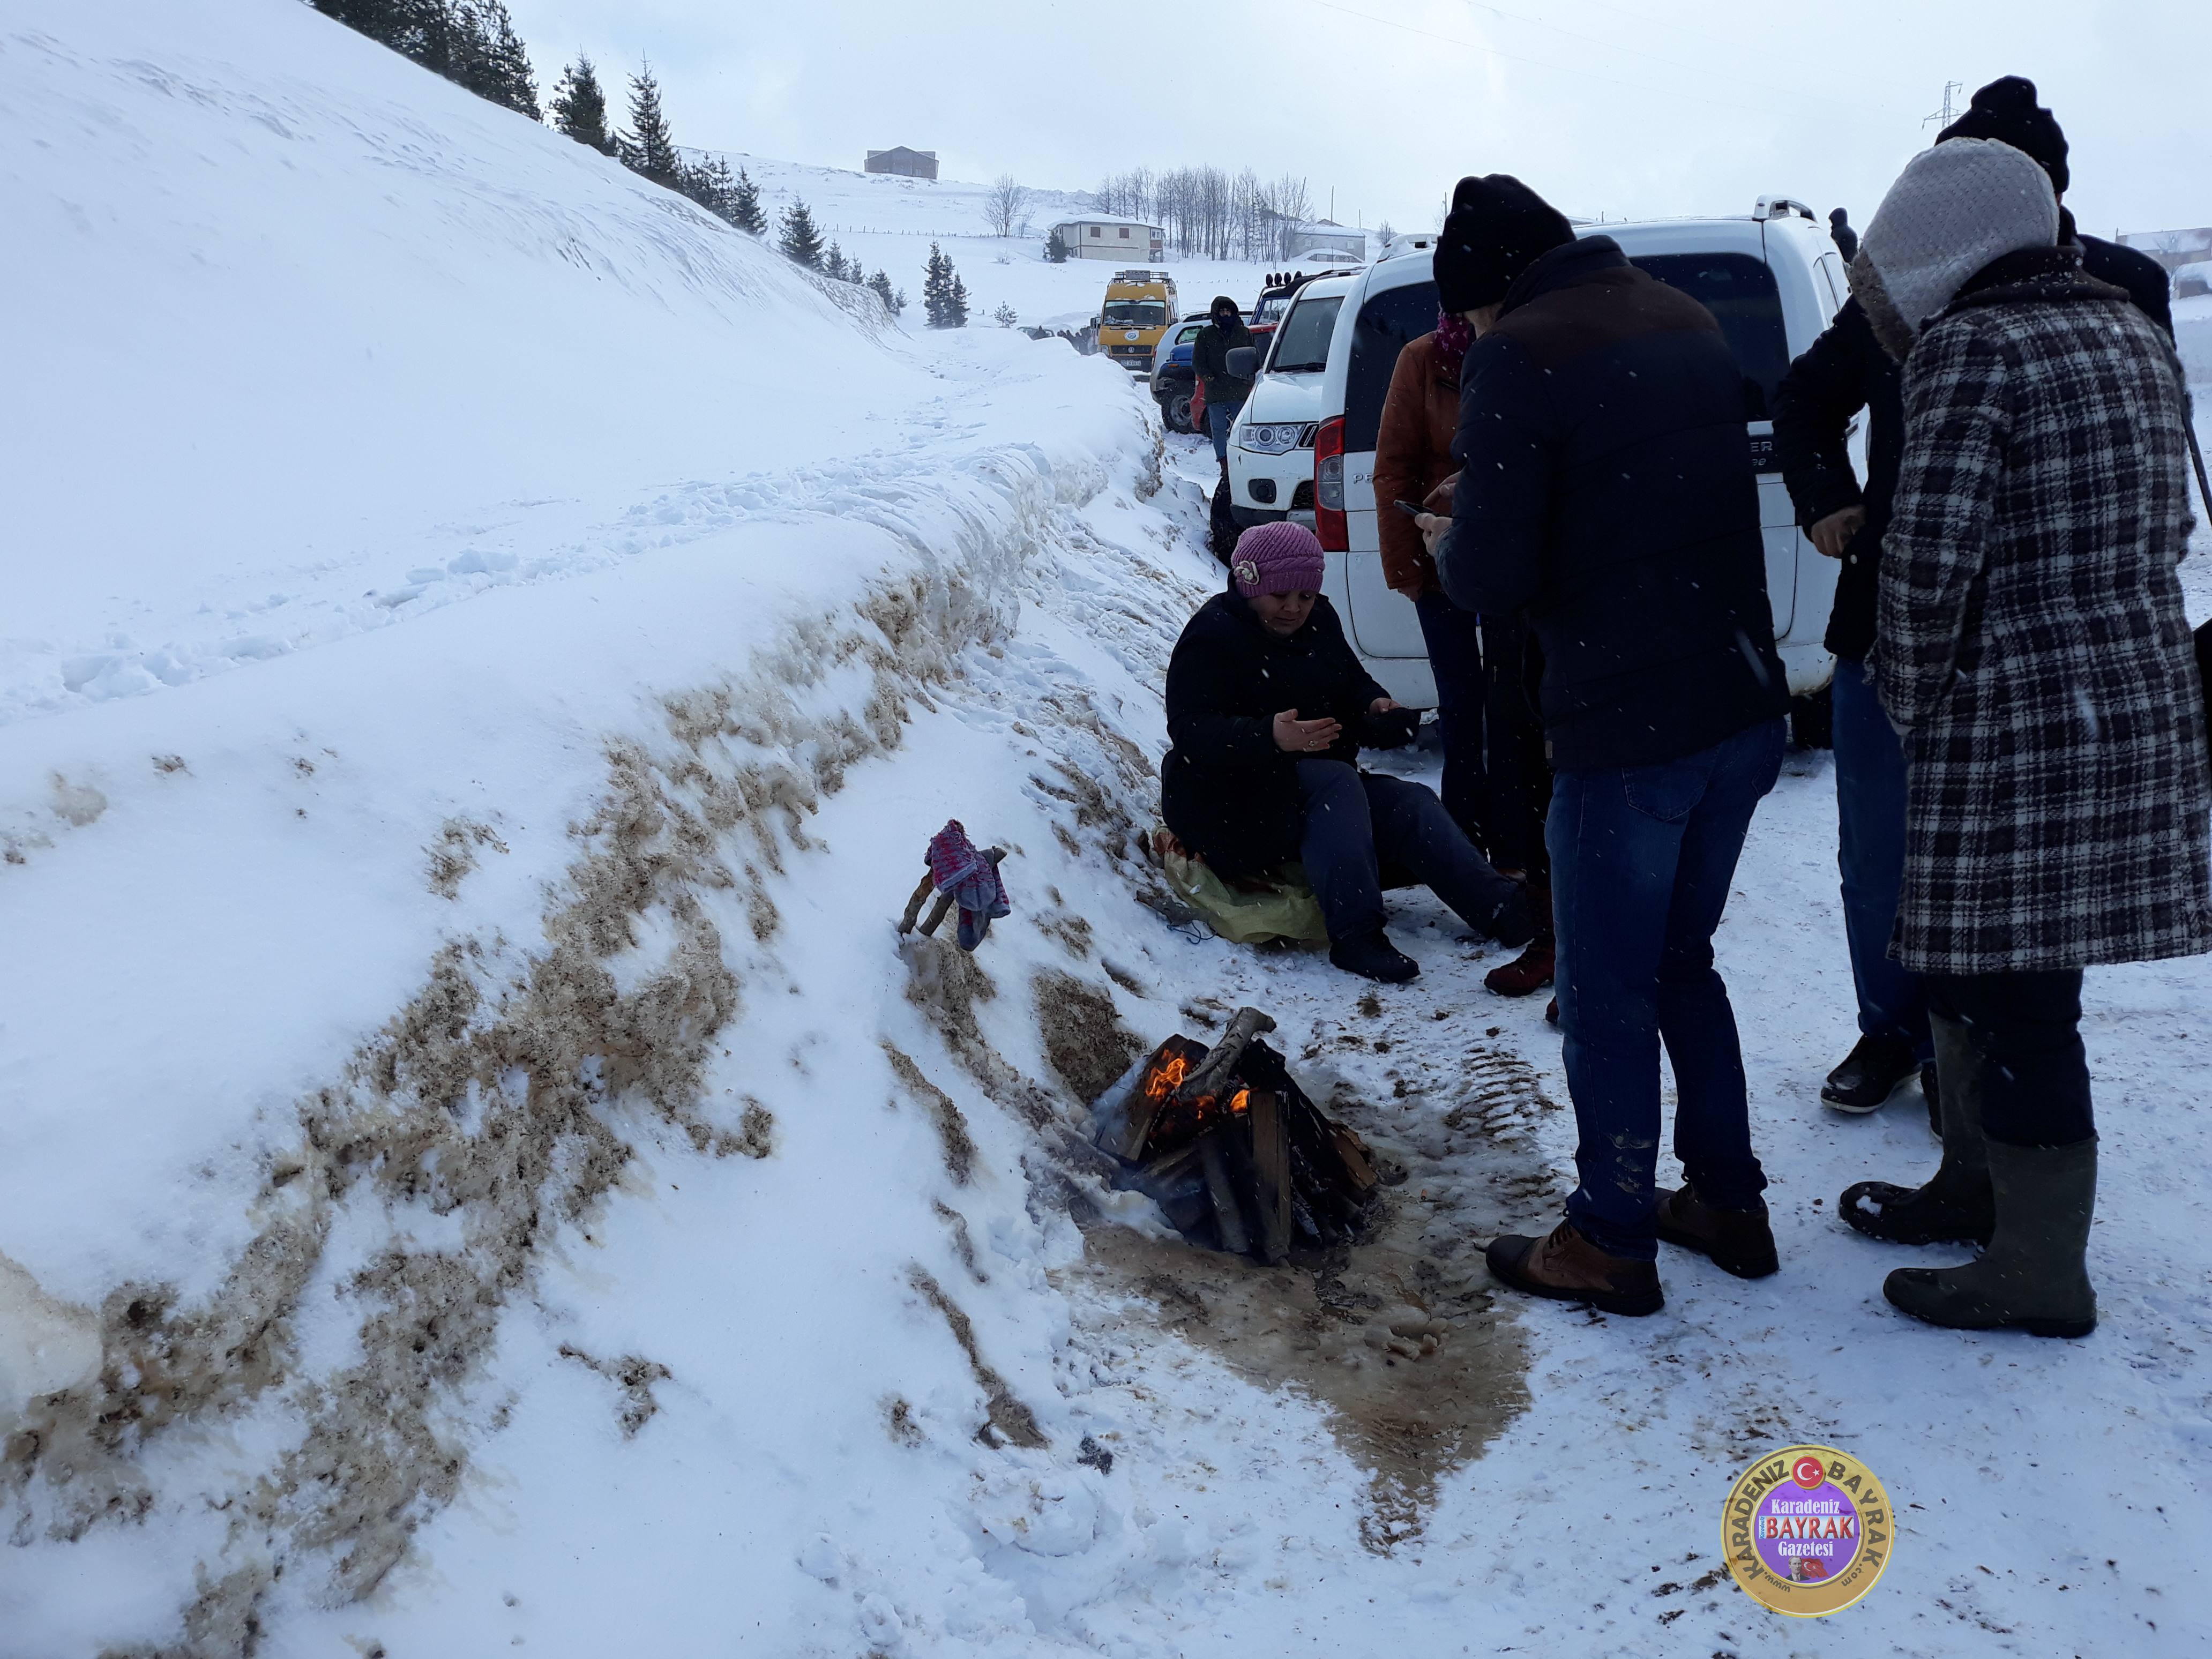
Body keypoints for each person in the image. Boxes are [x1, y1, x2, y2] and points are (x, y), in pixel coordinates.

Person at [1835, 137, 2211, 1337]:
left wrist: (1908, 695)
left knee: (2020, 991)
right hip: (2124, 701)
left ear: (1937, 249)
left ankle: (2040, 1273)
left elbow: (1925, 560)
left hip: (2008, 721)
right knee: (1980, 967)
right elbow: (2160, 527)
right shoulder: (2128, 329)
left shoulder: (1972, 347)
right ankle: (1976, 1187)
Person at [1417, 174, 1790, 1316]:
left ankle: (1610, 1235)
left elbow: (1492, 578)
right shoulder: (1683, 316)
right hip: (1739, 701)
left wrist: (1450, 529)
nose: (1467, 334)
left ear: (1490, 290)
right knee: (1680, 960)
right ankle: (1725, 1198)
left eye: (1466, 314)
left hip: (1629, 729)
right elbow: (1637, 491)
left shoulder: (1518, 352)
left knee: (1606, 985)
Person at [1774, 75, 2174, 1126]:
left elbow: (2146, 458)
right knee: (1882, 853)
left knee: (2029, 873)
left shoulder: (2122, 289)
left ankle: (2003, 1066)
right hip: (1890, 614)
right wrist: (1827, 498)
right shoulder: (1903, 289)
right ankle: (1894, 1032)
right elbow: (1804, 397)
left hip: (2043, 639)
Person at [1161, 521, 1533, 983]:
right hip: (1227, 804)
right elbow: (1190, 730)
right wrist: (1268, 736)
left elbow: (1351, 683)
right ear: (1249, 585)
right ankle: (1356, 935)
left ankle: (1500, 907)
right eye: (1280, 596)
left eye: (1306, 596)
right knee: (1335, 782)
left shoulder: (1319, 620)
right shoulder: (1213, 635)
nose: (1294, 608)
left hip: (1305, 792)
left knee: (1409, 802)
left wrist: (1376, 706)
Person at [1372, 312, 1487, 846]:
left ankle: (1519, 839)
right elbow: (1393, 467)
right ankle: (1467, 837)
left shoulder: (1520, 345)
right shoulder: (1422, 359)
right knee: (1461, 704)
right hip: (1441, 554)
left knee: (1517, 704)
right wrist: (1407, 565)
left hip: (1512, 554)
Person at [1190, 296, 1253, 469]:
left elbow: (1254, 357)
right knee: (1218, 430)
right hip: (1216, 393)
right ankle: (1224, 465)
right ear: (1216, 314)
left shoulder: (1244, 333)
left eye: (1228, 311)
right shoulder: (1206, 335)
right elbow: (1197, 362)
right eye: (1222, 311)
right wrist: (1208, 377)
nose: (1225, 314)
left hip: (1239, 392)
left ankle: (1244, 462)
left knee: (1243, 430)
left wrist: (1249, 378)